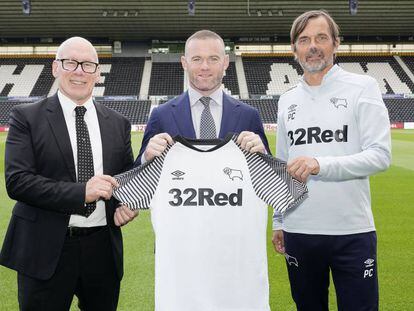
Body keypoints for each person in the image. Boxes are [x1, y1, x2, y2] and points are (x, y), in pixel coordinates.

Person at [0, 37, 137, 311]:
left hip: (102, 250)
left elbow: (126, 180)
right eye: (70, 63)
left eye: (88, 65)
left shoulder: (118, 123)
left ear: (97, 73)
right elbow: (18, 182)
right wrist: (81, 192)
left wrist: (127, 205)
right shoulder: (26, 117)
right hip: (45, 248)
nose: (79, 71)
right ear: (55, 68)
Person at [272, 10, 391, 311]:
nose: (313, 46)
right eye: (304, 39)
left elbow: (380, 155)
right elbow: (282, 165)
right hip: (299, 231)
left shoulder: (363, 87)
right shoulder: (286, 100)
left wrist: (320, 165)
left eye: (321, 38)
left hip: (351, 231)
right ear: (294, 49)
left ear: (336, 44)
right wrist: (278, 221)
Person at [135, 29, 270, 166]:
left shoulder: (249, 115)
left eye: (213, 59)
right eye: (197, 59)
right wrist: (146, 157)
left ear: (225, 62)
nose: (205, 67)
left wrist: (263, 153)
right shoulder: (161, 115)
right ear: (184, 63)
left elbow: (270, 175)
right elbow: (135, 174)